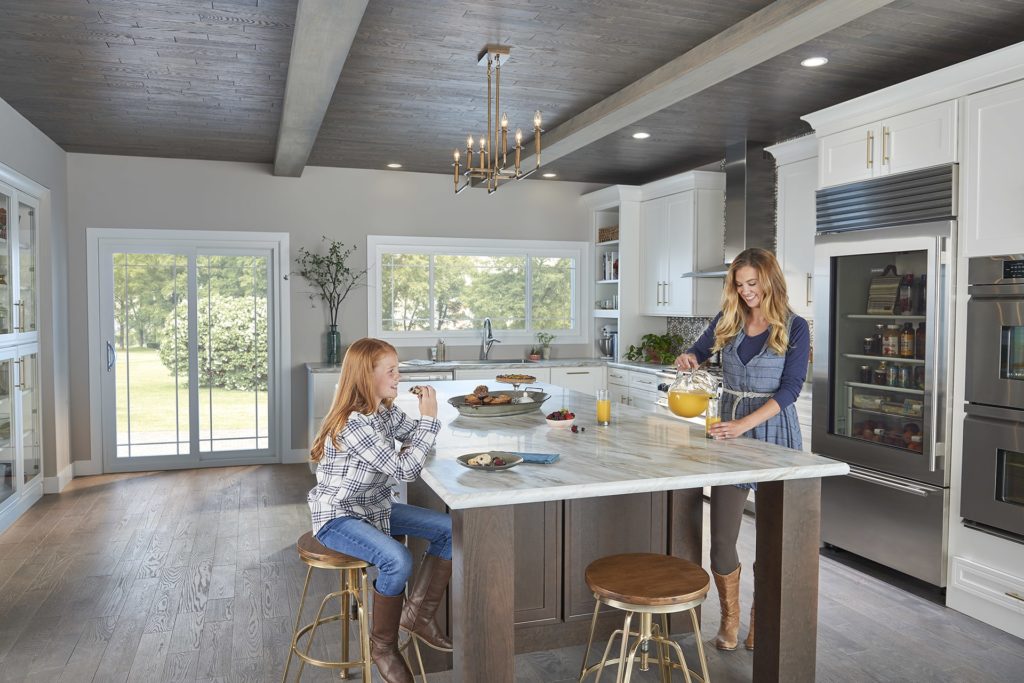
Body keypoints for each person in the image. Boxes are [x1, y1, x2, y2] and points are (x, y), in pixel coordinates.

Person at [674, 248, 810, 652]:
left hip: (776, 435)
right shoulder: (728, 321)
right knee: (721, 539)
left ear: (770, 281)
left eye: (753, 283)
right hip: (729, 432)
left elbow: (791, 389)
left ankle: (760, 620)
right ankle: (730, 616)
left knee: (772, 539)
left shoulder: (795, 327)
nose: (747, 291)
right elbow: (699, 351)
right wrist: (689, 357)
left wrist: (745, 425)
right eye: (740, 284)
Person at [308, 337, 452, 683]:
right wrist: (430, 421)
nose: (398, 376)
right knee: (397, 559)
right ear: (365, 376)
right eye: (391, 370)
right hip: (338, 516)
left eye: (398, 369)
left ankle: (416, 615)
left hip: (376, 509)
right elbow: (405, 469)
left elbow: (414, 435)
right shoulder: (354, 424)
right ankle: (383, 648)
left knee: (450, 529)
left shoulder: (384, 411)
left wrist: (424, 424)